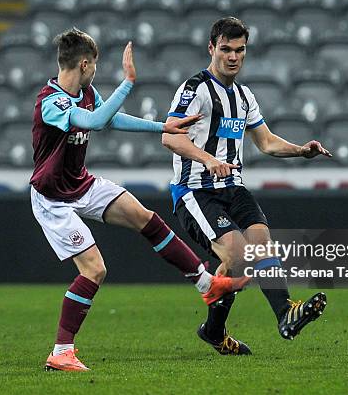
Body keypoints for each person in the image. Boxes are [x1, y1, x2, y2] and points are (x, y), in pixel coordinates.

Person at [30, 28, 247, 372]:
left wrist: (164, 127)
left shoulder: (84, 91)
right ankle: (61, 351)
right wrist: (128, 82)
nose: (96, 71)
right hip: (52, 198)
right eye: (95, 65)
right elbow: (95, 122)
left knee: (144, 217)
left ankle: (207, 284)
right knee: (95, 269)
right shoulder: (51, 102)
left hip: (80, 183)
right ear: (85, 64)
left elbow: (112, 118)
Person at [162, 17, 332, 355]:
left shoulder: (243, 96)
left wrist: (300, 151)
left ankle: (285, 314)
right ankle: (216, 329)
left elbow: (266, 142)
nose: (233, 56)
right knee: (238, 257)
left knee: (259, 246)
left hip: (233, 187)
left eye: (239, 50)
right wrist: (207, 159)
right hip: (196, 189)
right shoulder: (195, 89)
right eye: (225, 49)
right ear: (212, 48)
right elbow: (169, 135)